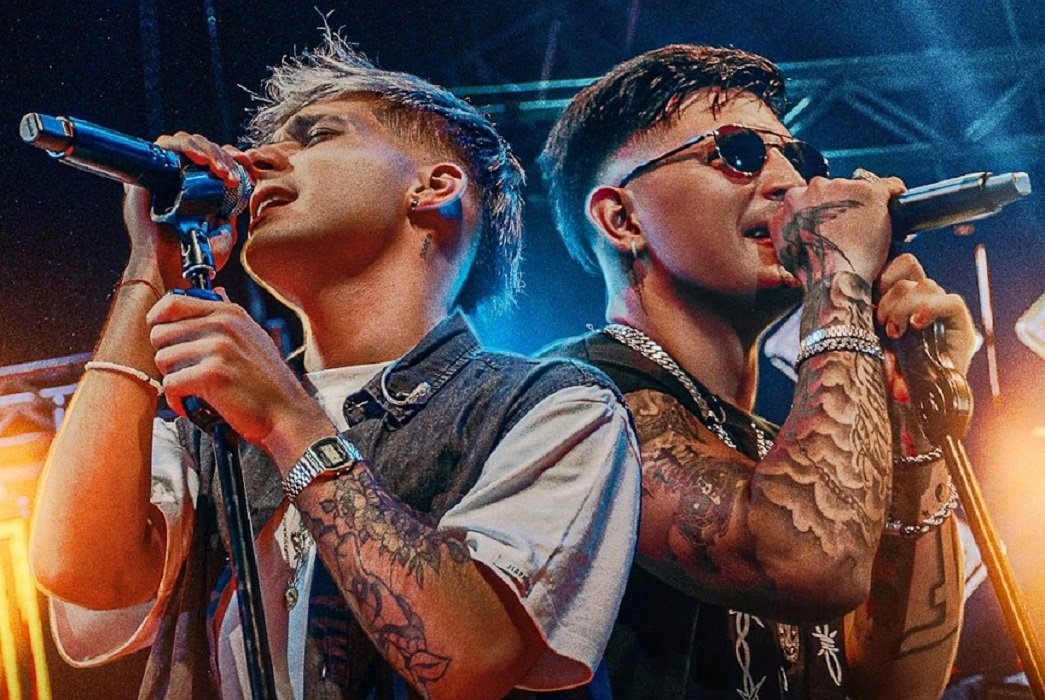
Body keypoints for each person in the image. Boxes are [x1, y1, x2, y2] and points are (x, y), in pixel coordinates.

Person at [28, 32, 641, 700]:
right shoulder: (207, 430)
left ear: (434, 187)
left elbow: (472, 657)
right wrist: (152, 267)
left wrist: (287, 420)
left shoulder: (556, 406)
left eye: (315, 135)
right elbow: (78, 571)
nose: (258, 159)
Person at [538, 44, 975, 699]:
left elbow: (899, 686)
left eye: (798, 160)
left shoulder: (782, 445)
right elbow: (806, 563)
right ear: (621, 219)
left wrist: (908, 414)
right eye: (737, 153)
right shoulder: (573, 399)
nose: (789, 184)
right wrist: (838, 277)